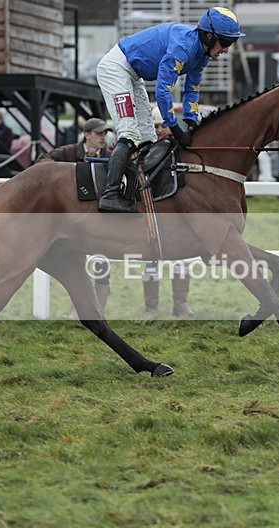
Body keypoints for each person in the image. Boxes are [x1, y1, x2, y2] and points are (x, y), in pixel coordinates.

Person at [96, 6, 244, 213]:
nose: (227, 49)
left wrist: (192, 121)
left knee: (148, 138)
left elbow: (192, 90)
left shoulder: (201, 55)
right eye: (226, 42)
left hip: (134, 75)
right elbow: (163, 90)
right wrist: (174, 127)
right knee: (129, 133)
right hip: (116, 69)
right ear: (209, 36)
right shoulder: (182, 47)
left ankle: (137, 191)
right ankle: (109, 195)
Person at [34, 117, 114, 313]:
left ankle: (98, 314)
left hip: (101, 219)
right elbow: (42, 164)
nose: (103, 138)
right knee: (78, 267)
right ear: (87, 135)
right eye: (98, 134)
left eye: (105, 133)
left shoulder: (112, 155)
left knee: (103, 265)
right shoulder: (68, 152)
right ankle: (76, 311)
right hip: (72, 221)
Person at [143, 106, 194, 317]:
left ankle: (180, 305)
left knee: (182, 259)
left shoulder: (181, 151)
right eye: (155, 126)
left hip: (177, 210)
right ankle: (151, 308)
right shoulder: (146, 150)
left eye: (163, 125)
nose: (159, 130)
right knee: (151, 260)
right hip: (152, 210)